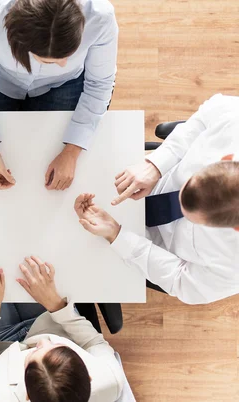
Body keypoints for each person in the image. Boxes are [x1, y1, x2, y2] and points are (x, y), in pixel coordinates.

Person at [73, 93, 239, 305]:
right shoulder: (235, 121)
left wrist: (117, 234)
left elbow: (181, 282)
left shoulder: (234, 266)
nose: (179, 203)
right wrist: (156, 165)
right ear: (226, 158)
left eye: (192, 219)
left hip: (153, 247)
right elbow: (207, 113)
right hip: (152, 180)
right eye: (187, 184)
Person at [0, 0, 118, 191]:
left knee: (50, 157)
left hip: (64, 84)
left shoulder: (101, 16)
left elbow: (99, 85)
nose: (62, 64)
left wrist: (71, 152)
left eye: (66, 56)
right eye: (47, 60)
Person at [0, 258, 125, 401]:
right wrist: (56, 305)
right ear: (89, 377)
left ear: (28, 395)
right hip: (51, 318)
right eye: (58, 348)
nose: (42, 341)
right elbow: (93, 342)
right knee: (31, 259)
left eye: (34, 353)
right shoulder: (109, 381)